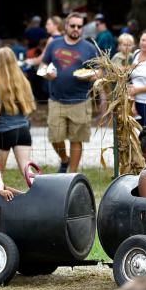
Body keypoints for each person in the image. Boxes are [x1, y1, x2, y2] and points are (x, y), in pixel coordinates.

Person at [42, 12, 98, 173]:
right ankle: (64, 159)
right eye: (72, 26)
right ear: (66, 26)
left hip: (80, 100)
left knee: (76, 139)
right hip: (56, 99)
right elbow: (43, 65)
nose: (75, 29)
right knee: (55, 137)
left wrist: (91, 76)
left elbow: (99, 71)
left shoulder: (89, 48)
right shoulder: (54, 44)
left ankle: (72, 174)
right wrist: (47, 72)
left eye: (79, 26)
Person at [0, 46, 36, 182]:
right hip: (23, 130)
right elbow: (30, 106)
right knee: (26, 169)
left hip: (4, 132)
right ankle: (40, 191)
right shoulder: (24, 81)